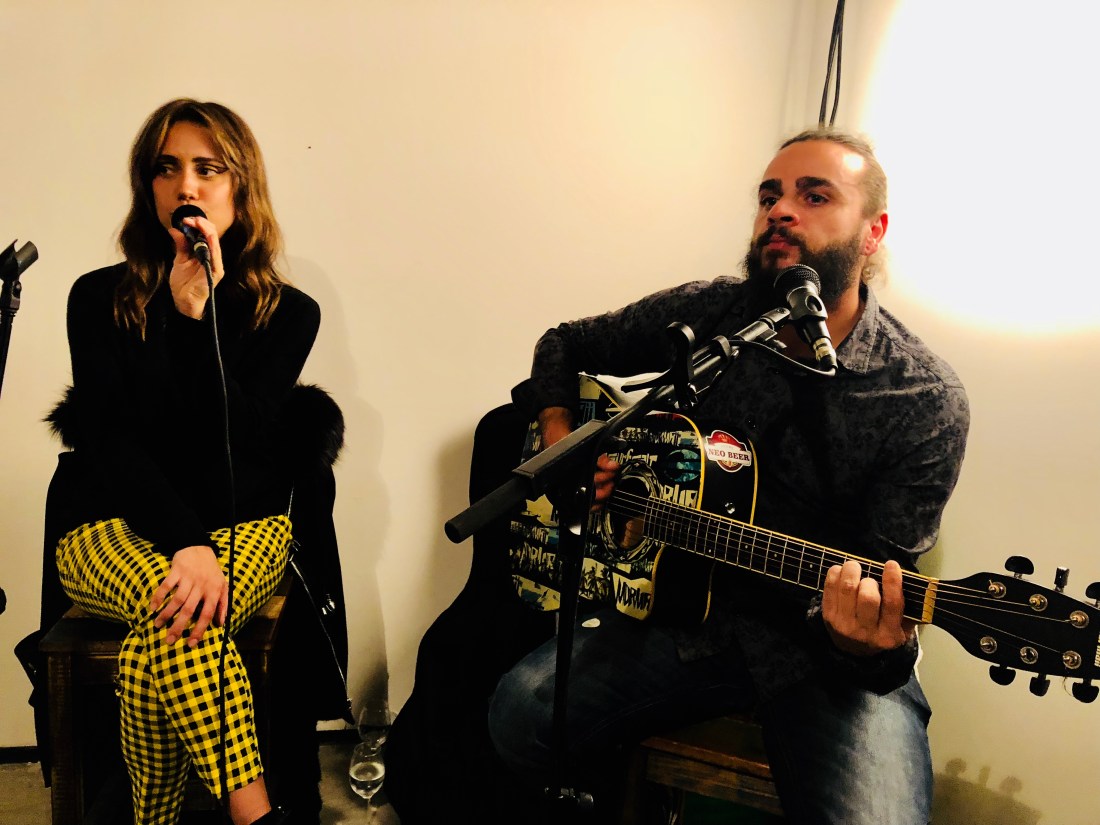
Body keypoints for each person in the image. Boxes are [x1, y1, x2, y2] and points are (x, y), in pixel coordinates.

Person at [488, 128, 970, 823]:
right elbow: (564, 342)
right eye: (769, 196)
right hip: (678, 618)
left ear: (873, 232)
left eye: (814, 196)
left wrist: (860, 638)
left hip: (820, 660)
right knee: (519, 718)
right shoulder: (711, 314)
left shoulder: (922, 397)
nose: (780, 211)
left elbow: (880, 584)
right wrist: (563, 440)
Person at [44, 98, 343, 825]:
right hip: (113, 522)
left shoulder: (290, 313)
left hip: (245, 522)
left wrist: (193, 319)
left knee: (169, 633)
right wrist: (185, 542)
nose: (187, 185)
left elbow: (233, 445)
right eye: (167, 168)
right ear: (146, 187)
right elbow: (115, 443)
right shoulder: (96, 298)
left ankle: (154, 818)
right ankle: (257, 815)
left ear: (241, 188)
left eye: (208, 168)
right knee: (185, 616)